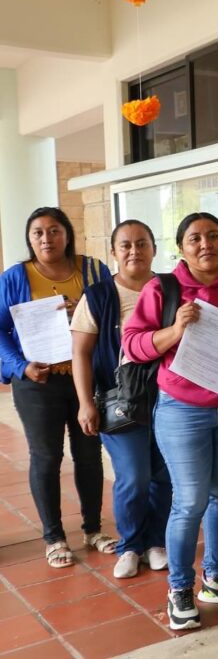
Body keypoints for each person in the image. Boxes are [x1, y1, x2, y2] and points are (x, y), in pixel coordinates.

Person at [122, 212, 218, 631]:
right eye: (195, 238)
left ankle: (215, 579)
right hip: (181, 409)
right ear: (181, 248)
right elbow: (132, 344)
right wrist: (174, 330)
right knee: (190, 500)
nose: (205, 244)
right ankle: (179, 587)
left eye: (213, 235)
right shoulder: (163, 288)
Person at [0, 206, 114, 568]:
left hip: (86, 379)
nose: (46, 238)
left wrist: (84, 310)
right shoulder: (15, 277)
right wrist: (21, 366)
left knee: (89, 453)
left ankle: (93, 529)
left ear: (67, 234)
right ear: (29, 238)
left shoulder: (93, 270)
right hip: (39, 382)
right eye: (38, 232)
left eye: (54, 231)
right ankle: (54, 537)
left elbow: (112, 314)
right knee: (46, 457)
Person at [70, 220, 171, 579]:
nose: (134, 251)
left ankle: (156, 542)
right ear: (113, 252)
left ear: (154, 248)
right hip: (119, 403)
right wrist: (85, 402)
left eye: (142, 243)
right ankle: (130, 545)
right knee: (133, 476)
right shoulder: (98, 296)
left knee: (164, 474)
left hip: (168, 398)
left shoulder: (171, 288)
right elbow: (81, 353)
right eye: (125, 245)